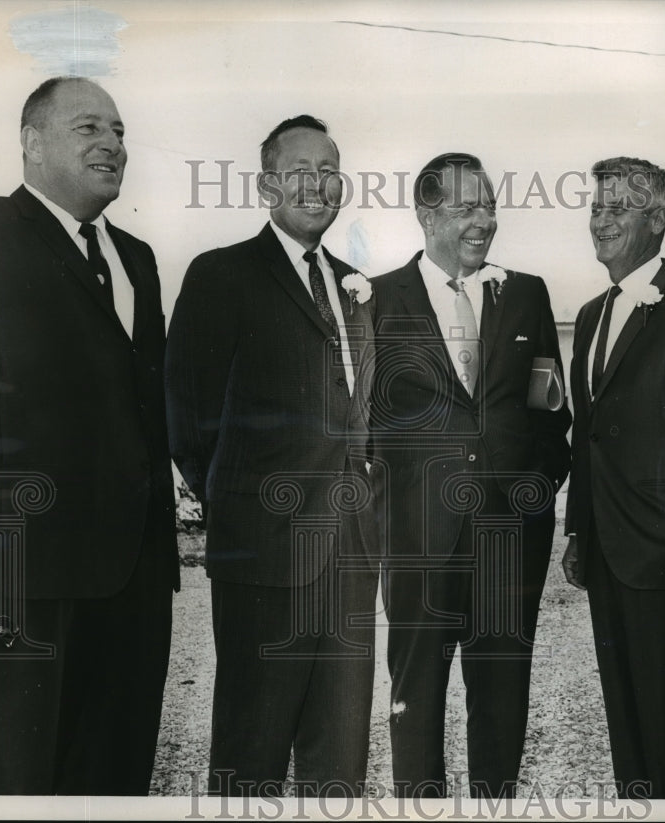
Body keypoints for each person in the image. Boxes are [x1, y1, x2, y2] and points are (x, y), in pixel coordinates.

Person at [0, 76, 180, 795]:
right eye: (88, 128)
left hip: (134, 574)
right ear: (31, 143)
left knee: (118, 778)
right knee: (22, 781)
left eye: (121, 130)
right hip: (24, 569)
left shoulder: (139, 259)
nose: (112, 143)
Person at [165, 115, 377, 797]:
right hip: (262, 555)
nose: (318, 185)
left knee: (339, 757)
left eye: (330, 170)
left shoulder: (354, 287)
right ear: (266, 185)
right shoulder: (221, 275)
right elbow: (188, 416)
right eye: (301, 170)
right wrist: (246, 504)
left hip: (349, 557)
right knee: (250, 753)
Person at [369, 153, 571, 798]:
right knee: (416, 694)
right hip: (417, 540)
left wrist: (536, 491)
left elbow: (548, 408)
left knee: (503, 692)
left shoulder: (527, 293)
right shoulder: (375, 299)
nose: (483, 222)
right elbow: (362, 426)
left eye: (489, 206)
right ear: (426, 216)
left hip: (510, 537)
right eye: (464, 209)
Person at [561, 157, 665, 799]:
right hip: (607, 551)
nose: (601, 220)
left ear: (657, 219)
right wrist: (578, 532)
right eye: (596, 208)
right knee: (626, 722)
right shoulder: (588, 313)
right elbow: (590, 438)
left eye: (617, 208)